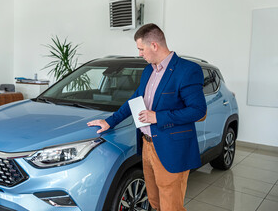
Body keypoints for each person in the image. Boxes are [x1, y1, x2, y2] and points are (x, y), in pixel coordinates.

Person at [87, 23, 207, 211]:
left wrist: (157, 117)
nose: (140, 53)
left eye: (141, 49)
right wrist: (110, 121)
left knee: (171, 206)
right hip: (147, 146)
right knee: (155, 202)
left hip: (172, 148)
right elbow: (135, 100)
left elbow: (198, 110)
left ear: (154, 46)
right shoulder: (148, 71)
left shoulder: (187, 70)